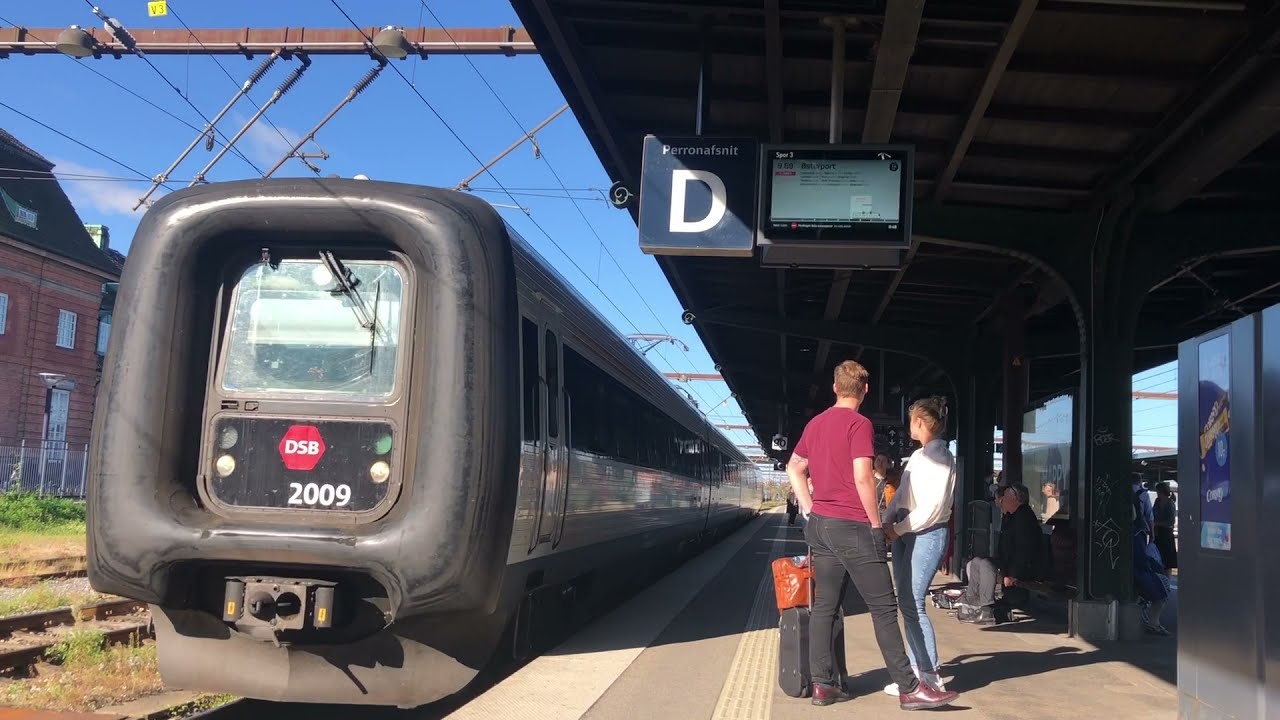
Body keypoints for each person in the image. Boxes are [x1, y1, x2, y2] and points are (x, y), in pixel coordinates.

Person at [786, 361, 959, 711]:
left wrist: (810, 508)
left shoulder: (815, 424)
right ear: (865, 391)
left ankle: (822, 684)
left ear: (835, 387)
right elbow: (863, 476)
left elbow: (794, 467)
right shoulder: (859, 424)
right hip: (853, 526)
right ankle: (910, 688)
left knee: (825, 605)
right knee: (883, 608)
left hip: (821, 525)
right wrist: (875, 525)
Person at [883, 397, 956, 697]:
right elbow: (901, 494)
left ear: (921, 423)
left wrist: (897, 529)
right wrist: (888, 521)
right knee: (906, 603)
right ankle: (916, 672)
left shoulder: (942, 458)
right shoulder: (917, 456)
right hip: (907, 532)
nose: (908, 426)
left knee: (913, 602)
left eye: (911, 420)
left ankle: (930, 674)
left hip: (926, 533)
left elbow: (932, 508)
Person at [1152, 482, 1177, 573]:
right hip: (1158, 533)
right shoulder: (1157, 501)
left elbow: (1171, 522)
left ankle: (1167, 579)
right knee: (1158, 558)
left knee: (1168, 561)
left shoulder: (1170, 503)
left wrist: (1157, 523)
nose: (1157, 494)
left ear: (1162, 492)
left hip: (1167, 534)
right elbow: (1153, 514)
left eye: (1158, 492)